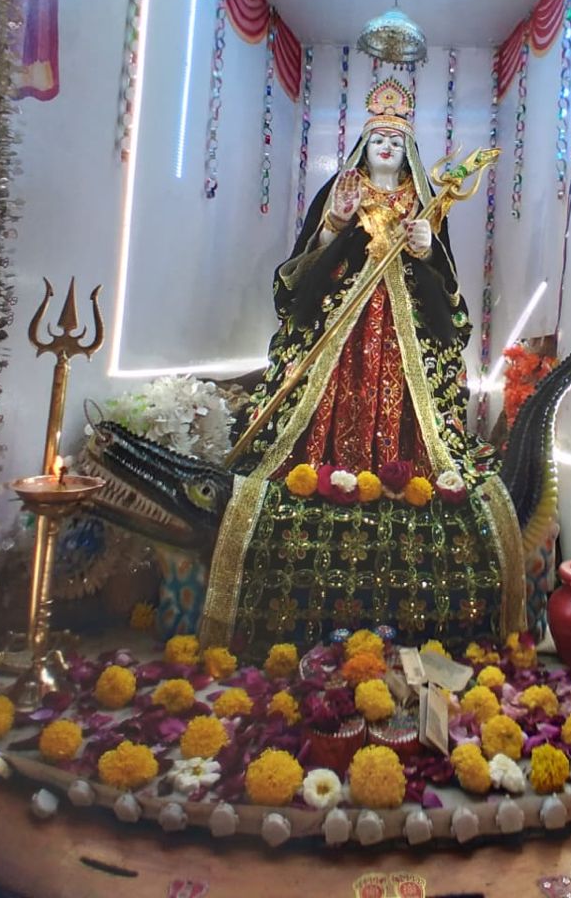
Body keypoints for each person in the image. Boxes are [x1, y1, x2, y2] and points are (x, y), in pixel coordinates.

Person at [199, 78, 525, 655]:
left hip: (405, 342)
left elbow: (444, 286)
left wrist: (426, 247)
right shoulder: (341, 189)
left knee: (416, 413)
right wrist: (334, 225)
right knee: (320, 400)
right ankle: (321, 469)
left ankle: (400, 474)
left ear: (408, 152)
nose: (385, 146)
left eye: (396, 141)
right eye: (377, 136)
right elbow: (305, 265)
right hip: (342, 328)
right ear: (362, 142)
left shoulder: (427, 202)